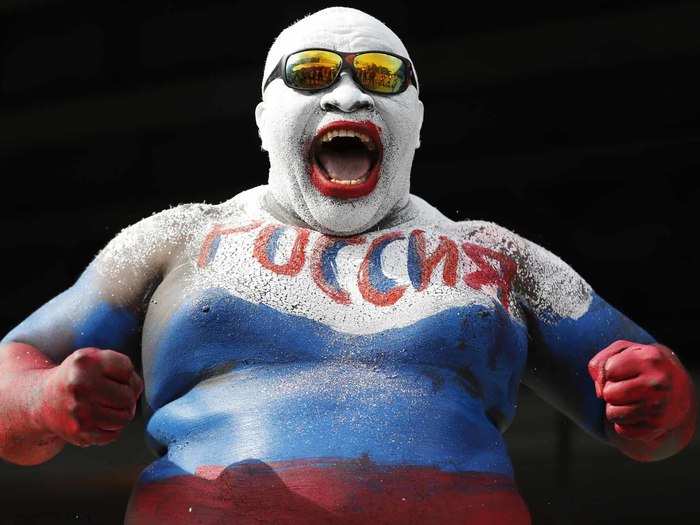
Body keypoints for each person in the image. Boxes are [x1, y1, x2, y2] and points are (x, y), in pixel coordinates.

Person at [0, 7, 695, 525]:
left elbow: (658, 421)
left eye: (380, 76)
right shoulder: (177, 238)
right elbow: (14, 367)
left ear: (415, 120)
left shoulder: (501, 256)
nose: (348, 95)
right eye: (311, 74)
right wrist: (46, 398)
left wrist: (660, 396)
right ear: (266, 117)